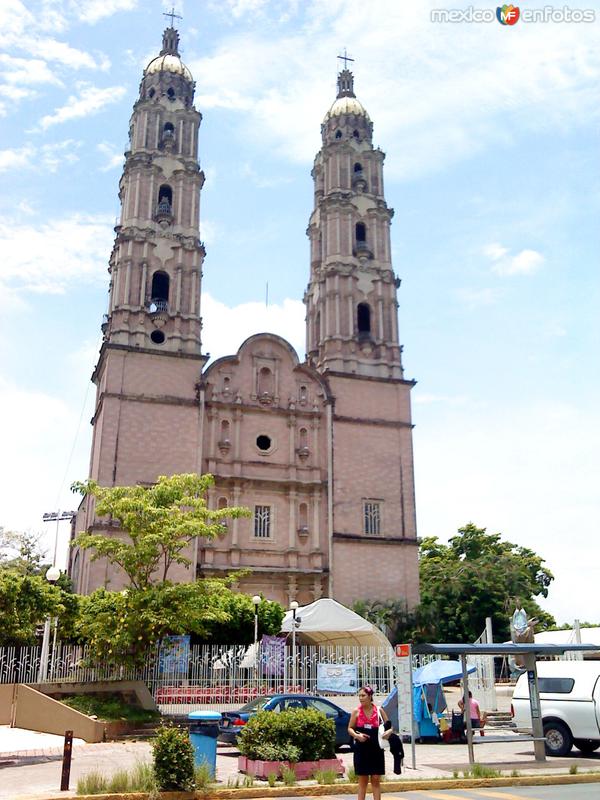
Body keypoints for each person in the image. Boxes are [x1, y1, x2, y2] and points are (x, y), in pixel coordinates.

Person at [348, 686, 391, 800]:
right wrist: (357, 736)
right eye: (359, 696)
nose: (361, 698)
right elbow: (350, 728)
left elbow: (390, 727)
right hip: (362, 749)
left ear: (370, 696)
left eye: (363, 696)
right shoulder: (356, 711)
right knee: (363, 781)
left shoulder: (379, 711)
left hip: (376, 749)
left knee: (376, 780)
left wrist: (388, 733)